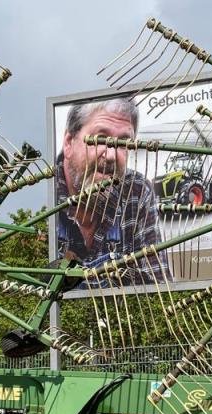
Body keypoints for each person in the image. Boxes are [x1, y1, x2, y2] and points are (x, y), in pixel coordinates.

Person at [55, 97, 169, 284]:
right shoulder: (42, 191)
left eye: (124, 143)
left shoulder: (136, 191)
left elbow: (160, 290)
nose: (110, 155)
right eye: (100, 139)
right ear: (69, 143)